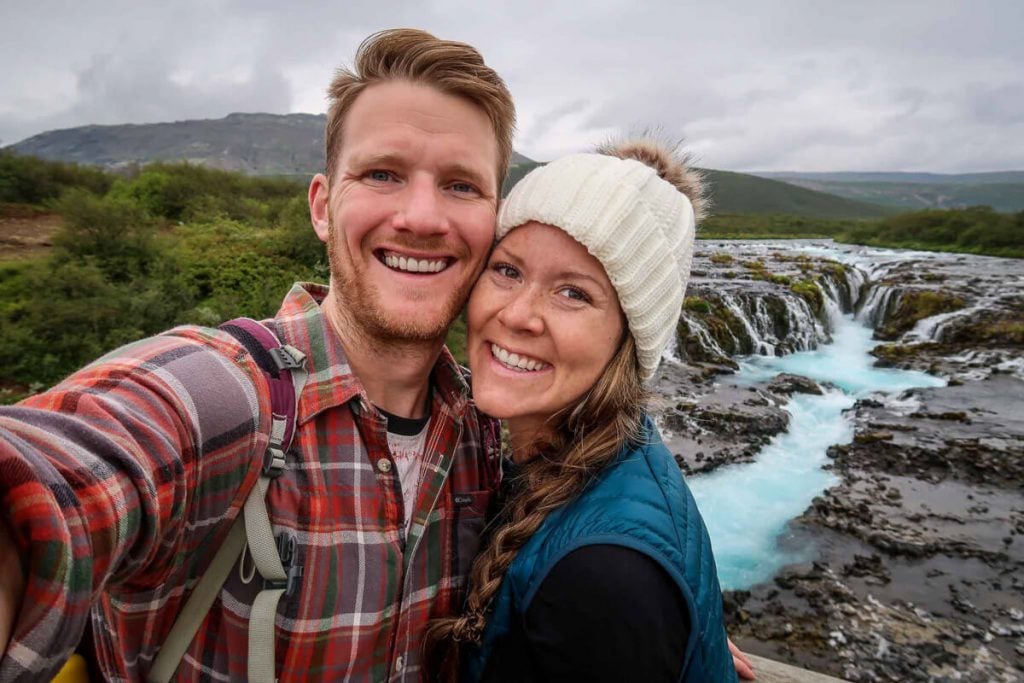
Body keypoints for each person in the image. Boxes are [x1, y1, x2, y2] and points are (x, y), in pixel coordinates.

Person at [0, 28, 514, 682]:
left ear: (495, 219)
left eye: (462, 186)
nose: (422, 215)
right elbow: (70, 471)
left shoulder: (487, 433)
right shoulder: (230, 398)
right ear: (324, 208)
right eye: (382, 173)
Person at [425, 140, 746, 682]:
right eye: (507, 270)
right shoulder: (605, 453)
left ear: (630, 337)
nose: (519, 314)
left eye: (573, 293)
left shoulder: (604, 576)